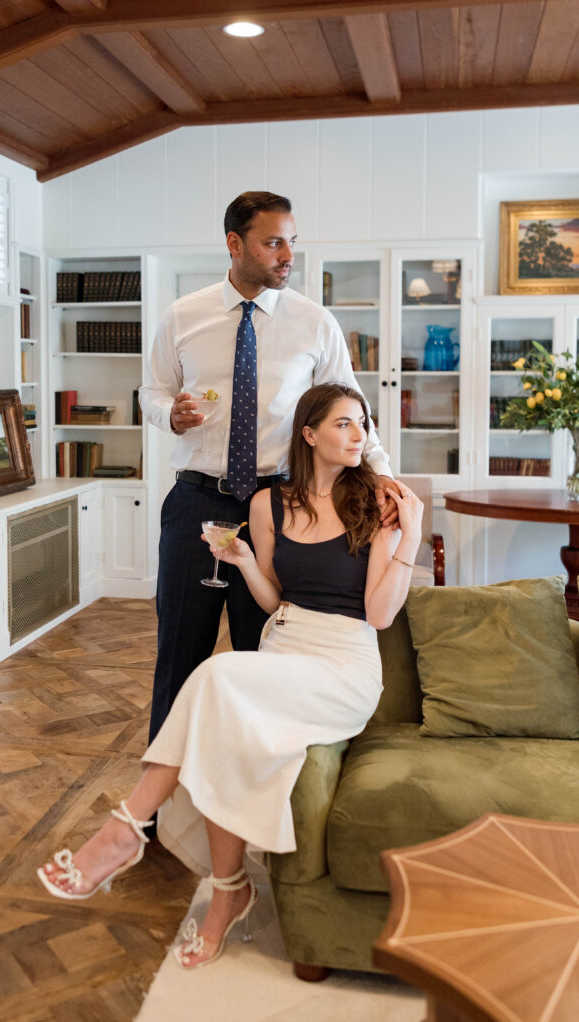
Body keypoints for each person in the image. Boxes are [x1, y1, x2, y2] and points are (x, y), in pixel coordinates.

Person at [38, 382, 423, 970]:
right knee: (226, 728)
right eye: (344, 424)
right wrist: (243, 561)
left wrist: (411, 535)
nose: (359, 435)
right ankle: (228, 892)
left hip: (344, 665)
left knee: (216, 677)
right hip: (286, 645)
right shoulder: (270, 505)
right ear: (309, 432)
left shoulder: (380, 503)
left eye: (363, 424)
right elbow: (274, 602)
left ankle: (125, 828)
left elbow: (378, 614)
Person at [139, 190, 398, 745]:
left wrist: (384, 477)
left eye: (292, 242)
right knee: (179, 652)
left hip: (282, 508)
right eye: (273, 242)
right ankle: (160, 810)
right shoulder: (183, 316)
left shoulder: (314, 323)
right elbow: (151, 391)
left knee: (264, 654)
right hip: (197, 504)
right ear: (235, 245)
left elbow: (353, 409)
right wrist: (169, 415)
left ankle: (247, 779)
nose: (287, 255)